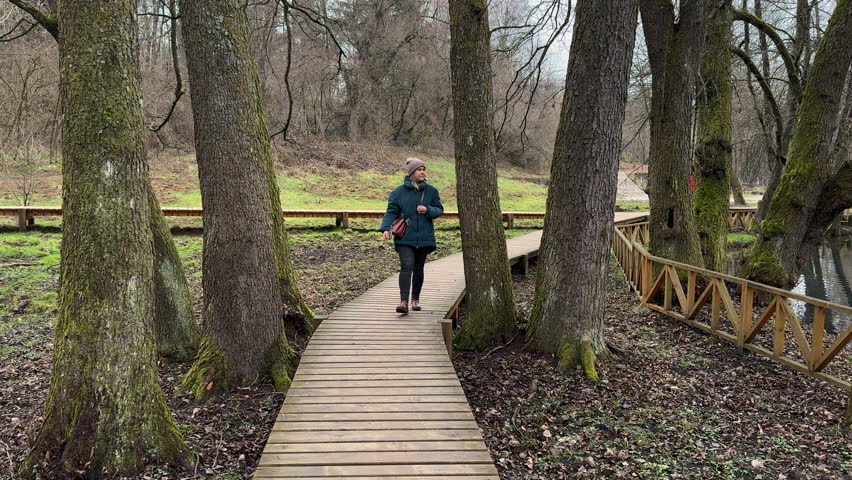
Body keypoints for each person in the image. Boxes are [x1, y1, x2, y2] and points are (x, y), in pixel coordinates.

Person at [380, 157, 444, 313]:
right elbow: (391, 212)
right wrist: (385, 228)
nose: (422, 172)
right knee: (406, 267)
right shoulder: (397, 192)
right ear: (412, 173)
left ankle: (415, 299)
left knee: (419, 268)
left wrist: (428, 210)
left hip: (424, 236)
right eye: (419, 169)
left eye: (423, 169)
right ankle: (403, 302)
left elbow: (439, 210)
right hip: (404, 237)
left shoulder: (431, 191)